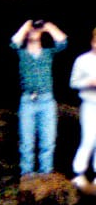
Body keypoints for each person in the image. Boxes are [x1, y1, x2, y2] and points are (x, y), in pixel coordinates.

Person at [12, 15, 67, 178]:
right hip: (28, 101)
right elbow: (14, 42)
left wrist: (48, 26)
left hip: (46, 100)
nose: (34, 31)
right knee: (26, 142)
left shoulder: (48, 52)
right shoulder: (21, 53)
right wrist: (26, 25)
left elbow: (63, 41)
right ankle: (27, 175)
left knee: (48, 141)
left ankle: (46, 175)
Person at [71, 27, 96, 189]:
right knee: (88, 139)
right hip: (89, 104)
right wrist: (88, 82)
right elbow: (73, 83)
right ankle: (78, 173)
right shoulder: (82, 60)